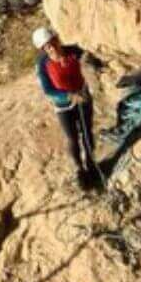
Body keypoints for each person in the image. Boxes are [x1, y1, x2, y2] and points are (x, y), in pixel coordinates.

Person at [33, 27, 100, 190]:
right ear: (43, 49)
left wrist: (94, 63)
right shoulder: (42, 65)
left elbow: (90, 58)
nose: (52, 48)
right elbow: (48, 90)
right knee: (72, 137)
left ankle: (91, 164)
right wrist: (69, 96)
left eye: (53, 42)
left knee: (87, 132)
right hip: (63, 106)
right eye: (47, 46)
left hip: (83, 97)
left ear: (58, 39)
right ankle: (79, 169)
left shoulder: (73, 51)